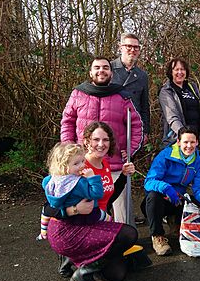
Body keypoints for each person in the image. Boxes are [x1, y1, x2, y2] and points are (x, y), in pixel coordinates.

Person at [42, 128, 139, 281]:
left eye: (106, 140)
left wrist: (123, 175)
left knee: (118, 275)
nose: (101, 144)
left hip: (95, 221)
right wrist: (74, 210)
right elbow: (48, 208)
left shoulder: (103, 164)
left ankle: (73, 259)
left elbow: (108, 196)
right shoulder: (75, 169)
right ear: (86, 141)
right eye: (96, 140)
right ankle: (82, 270)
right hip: (78, 226)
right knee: (129, 234)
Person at [61, 56, 143, 226]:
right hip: (84, 164)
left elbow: (136, 125)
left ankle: (124, 243)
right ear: (91, 72)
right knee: (86, 208)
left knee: (122, 215)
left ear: (111, 73)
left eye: (105, 67)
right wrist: (69, 149)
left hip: (114, 165)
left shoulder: (121, 96)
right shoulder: (79, 93)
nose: (101, 71)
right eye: (97, 67)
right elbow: (67, 121)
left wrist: (130, 150)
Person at [144, 126, 200, 256]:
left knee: (198, 203)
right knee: (153, 197)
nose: (189, 146)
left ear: (197, 142)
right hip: (159, 200)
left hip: (178, 199)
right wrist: (166, 188)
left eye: (192, 142)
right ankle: (157, 236)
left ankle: (176, 223)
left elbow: (199, 188)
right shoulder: (165, 155)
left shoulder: (198, 162)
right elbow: (149, 182)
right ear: (178, 142)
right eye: (185, 142)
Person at [159, 58, 200, 147]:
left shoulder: (192, 87)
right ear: (171, 72)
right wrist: (184, 134)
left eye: (182, 69)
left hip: (195, 137)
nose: (180, 72)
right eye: (176, 69)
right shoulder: (166, 91)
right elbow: (172, 117)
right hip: (177, 139)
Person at [110, 33, 151, 141]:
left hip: (132, 127)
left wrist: (145, 130)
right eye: (129, 46)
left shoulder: (142, 76)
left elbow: (144, 105)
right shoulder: (108, 68)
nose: (132, 50)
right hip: (109, 126)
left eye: (136, 47)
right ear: (120, 47)